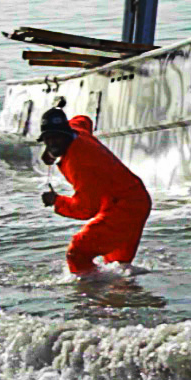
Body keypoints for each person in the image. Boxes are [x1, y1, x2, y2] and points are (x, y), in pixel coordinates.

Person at [37, 107, 152, 275]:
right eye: (48, 139)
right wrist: (51, 150)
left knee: (77, 252)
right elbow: (84, 119)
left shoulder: (80, 164)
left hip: (124, 208)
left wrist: (56, 201)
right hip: (133, 198)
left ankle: (88, 292)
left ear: (66, 134)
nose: (53, 143)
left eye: (57, 138)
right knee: (119, 269)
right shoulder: (77, 131)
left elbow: (85, 209)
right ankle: (118, 297)